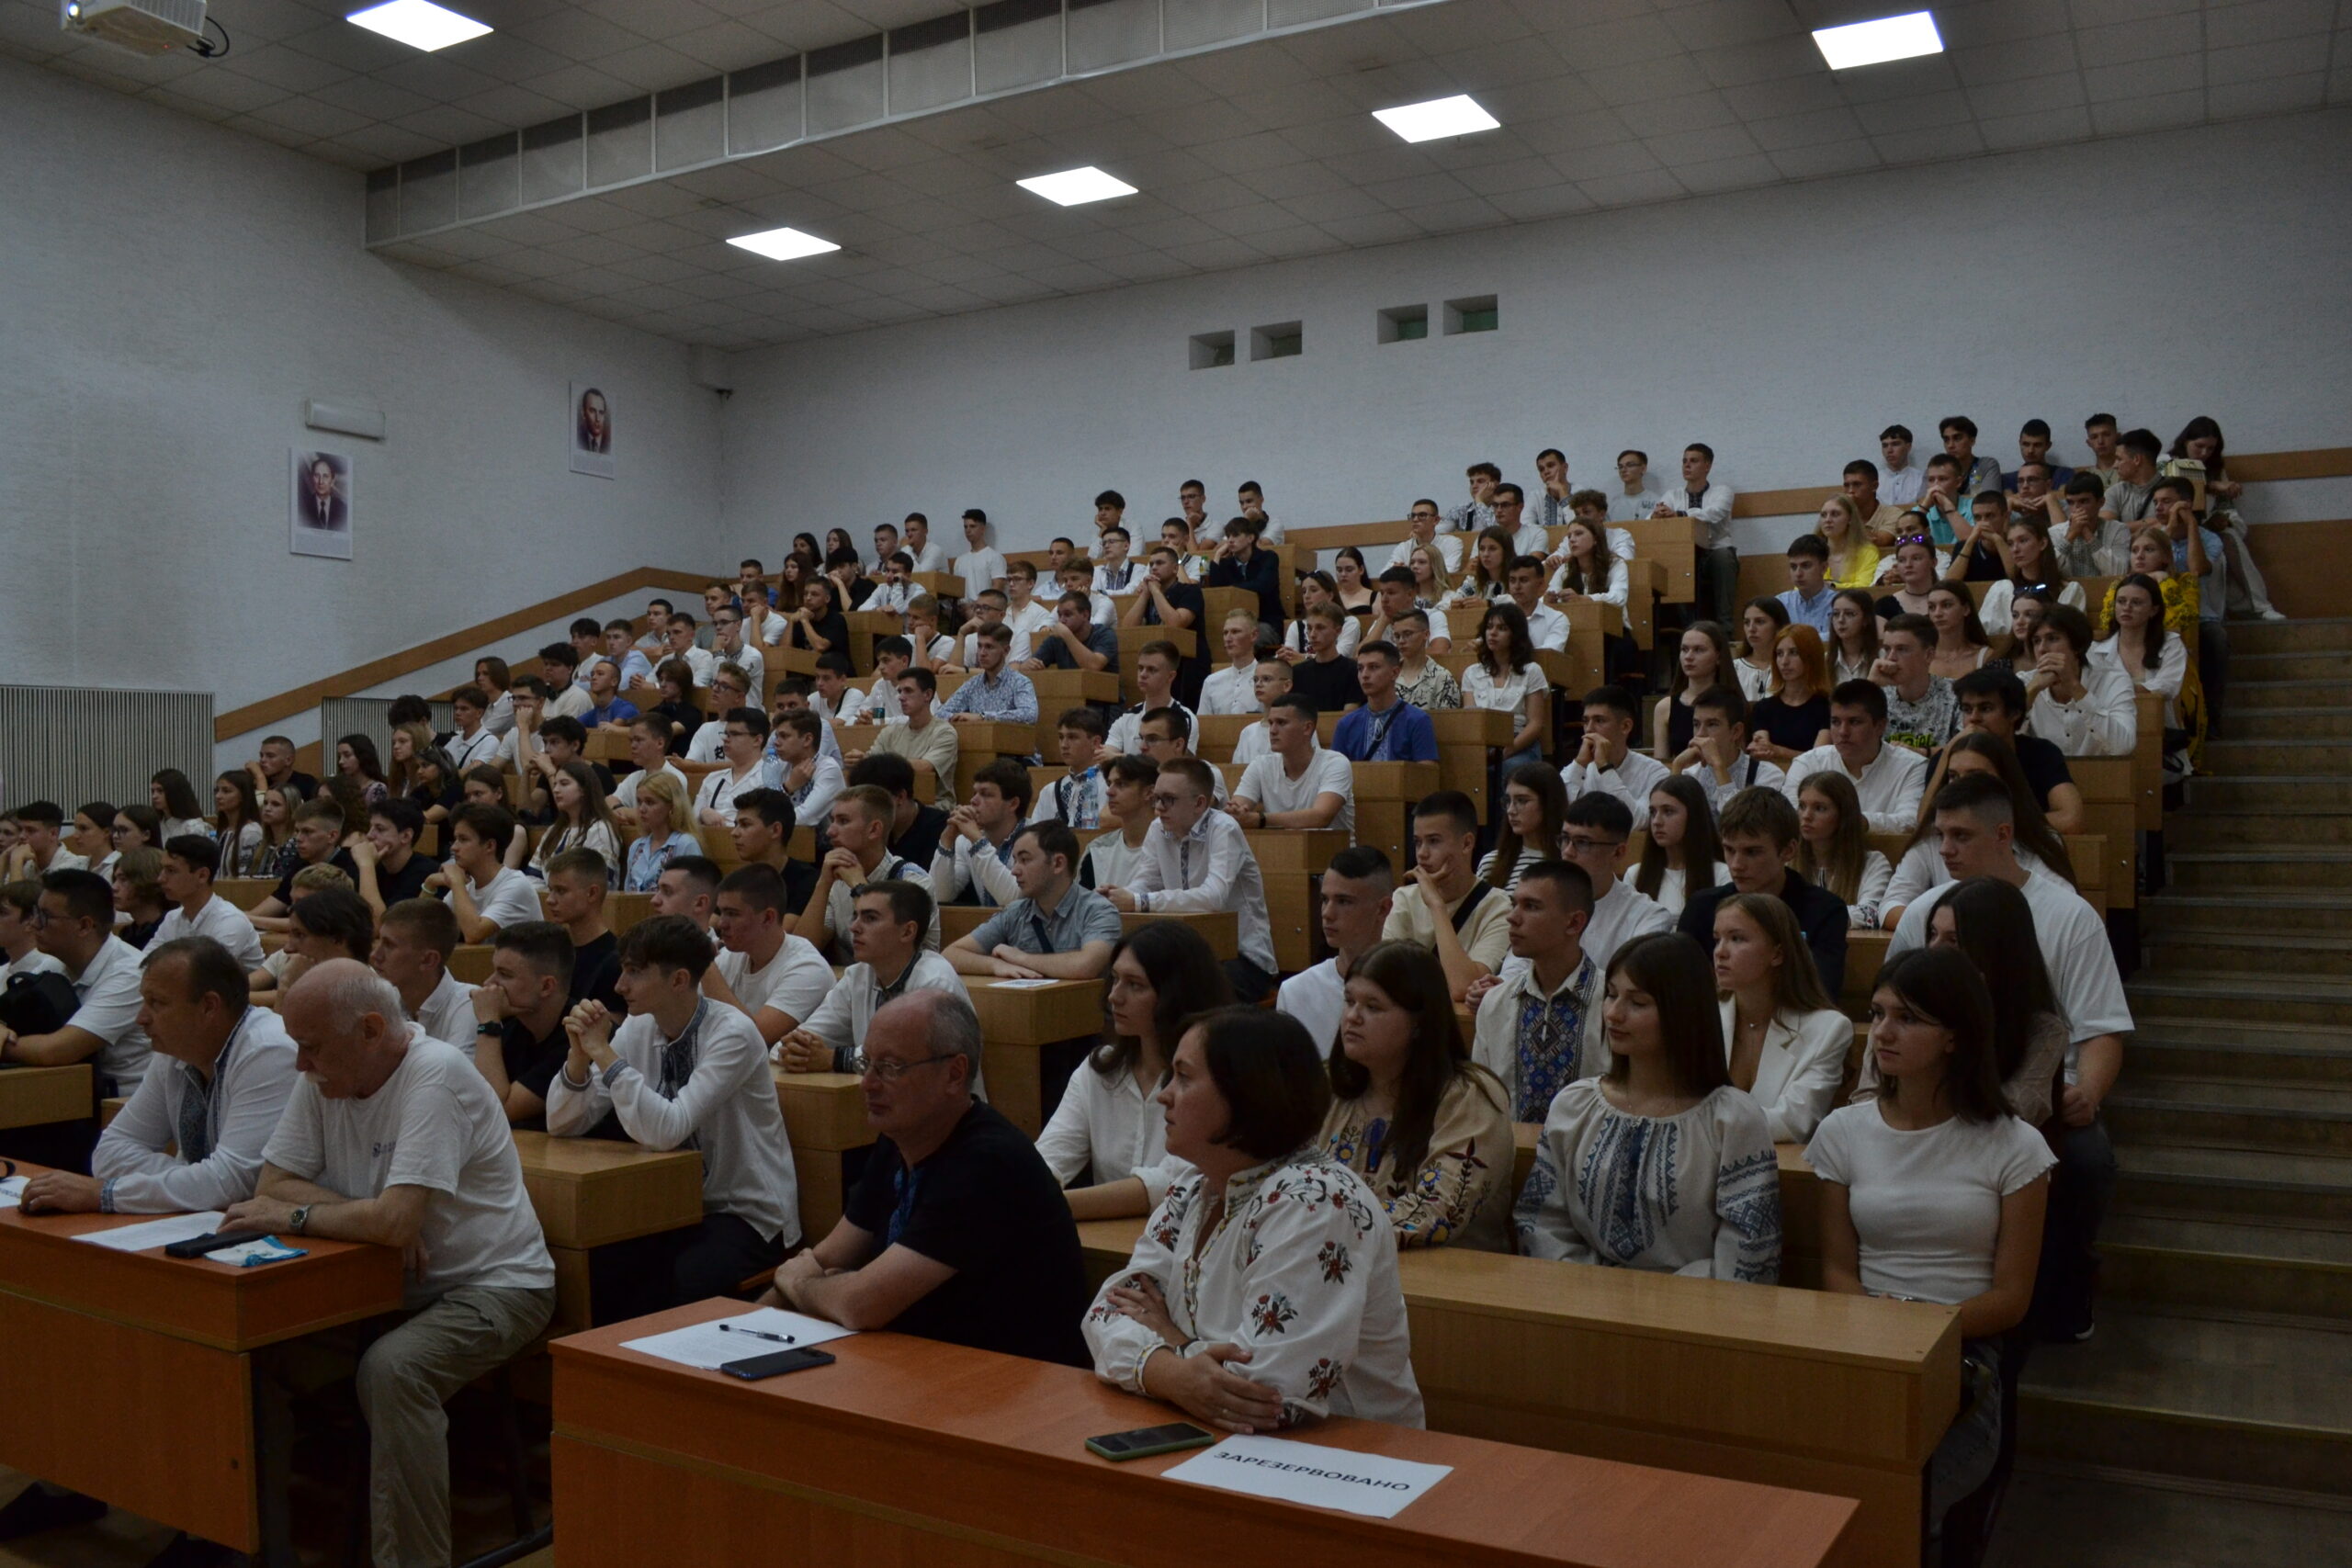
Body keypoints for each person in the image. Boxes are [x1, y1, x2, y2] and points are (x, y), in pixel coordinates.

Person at [224, 962, 554, 1568]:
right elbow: (276, 1181)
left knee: (394, 1370)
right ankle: (260, 1548)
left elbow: (383, 1220)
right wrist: (365, 1214)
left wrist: (299, 1215)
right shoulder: (324, 1071)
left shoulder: (436, 1075)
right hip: (378, 1281)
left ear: (372, 1029)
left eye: (314, 1047)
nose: (301, 1063)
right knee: (252, 1353)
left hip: (497, 1286)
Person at [1806, 947, 2053, 1534]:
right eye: (1878, 1012)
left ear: (1954, 1038)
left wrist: (1919, 1329)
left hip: (1963, 1353)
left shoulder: (2014, 1146)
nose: (1882, 1033)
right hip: (1863, 1340)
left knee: (1897, 1496)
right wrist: (1877, 1326)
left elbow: (2010, 1298)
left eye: (1908, 1018)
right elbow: (1838, 1269)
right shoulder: (1844, 1131)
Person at [1086, 1003, 1420, 1428]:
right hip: (1216, 1436)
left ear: (1246, 1093)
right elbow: (1105, 1314)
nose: (1164, 1094)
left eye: (1185, 1077)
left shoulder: (1316, 1201)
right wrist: (1170, 1374)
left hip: (1352, 1457)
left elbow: (1267, 1395)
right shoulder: (1193, 1187)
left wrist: (1173, 1341)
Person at [1884, 774, 2130, 1341]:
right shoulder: (1925, 911)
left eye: (1960, 836)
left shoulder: (2068, 916)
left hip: (2042, 1087)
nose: (1944, 850)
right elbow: (1895, 1005)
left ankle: (2065, 1287)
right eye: (1939, 836)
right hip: (1936, 1085)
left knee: (2085, 1158)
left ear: (2003, 835)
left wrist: (2086, 1094)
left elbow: (2101, 1030)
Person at [770, 989, 1088, 1363]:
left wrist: (804, 1285)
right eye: (866, 1063)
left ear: (954, 1074)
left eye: (890, 1067)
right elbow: (823, 1258)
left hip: (1012, 1384)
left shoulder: (988, 1162)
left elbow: (861, 1304)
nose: (868, 1083)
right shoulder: (898, 1138)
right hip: (919, 1358)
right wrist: (744, 1325)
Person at [547, 916, 801, 1321]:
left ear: (679, 980)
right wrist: (579, 1057)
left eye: (634, 973)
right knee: (603, 1264)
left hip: (746, 1213)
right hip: (670, 1204)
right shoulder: (639, 1025)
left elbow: (668, 1129)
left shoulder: (732, 1033)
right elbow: (562, 1124)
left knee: (685, 1278)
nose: (619, 986)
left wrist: (605, 1054)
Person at [1514, 932, 1781, 1281]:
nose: (1614, 1013)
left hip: (1695, 1316)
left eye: (1637, 1003)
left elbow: (1748, 1251)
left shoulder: (1731, 1119)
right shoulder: (1575, 1106)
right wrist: (1586, 1289)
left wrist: (1661, 1303)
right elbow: (1542, 1221)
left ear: (1681, 1011)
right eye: (1611, 995)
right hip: (1582, 1304)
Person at [14, 935, 296, 1221]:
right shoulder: (175, 1050)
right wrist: (194, 1181)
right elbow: (110, 1153)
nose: (141, 1018)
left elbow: (234, 1182)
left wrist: (107, 1194)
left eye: (157, 1003)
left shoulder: (268, 1050)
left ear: (209, 1006)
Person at [1324, 942, 1514, 1251]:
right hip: (1340, 1265)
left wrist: (1323, 1229)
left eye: (1373, 1007)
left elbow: (1440, 1212)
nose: (1352, 1017)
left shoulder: (1469, 1097)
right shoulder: (1330, 1087)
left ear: (1418, 1023)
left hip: (1446, 1281)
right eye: (1349, 1001)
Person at [1038, 921, 1227, 1221]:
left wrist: (1043, 1205)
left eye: (1135, 985)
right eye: (1114, 979)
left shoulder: (1214, 1076)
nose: (1115, 996)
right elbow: (1048, 1159)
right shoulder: (1098, 1069)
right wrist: (1026, 1189)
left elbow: (1171, 1184)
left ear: (1175, 994)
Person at [1856, 876, 2070, 1126]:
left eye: (1953, 941)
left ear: (1995, 952)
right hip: (1896, 1143)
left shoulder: (2043, 1030)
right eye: (1932, 934)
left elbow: (2014, 1116)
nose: (1933, 950)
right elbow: (1865, 1100)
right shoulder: (1895, 1012)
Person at [1101, 759, 1278, 1000]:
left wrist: (1138, 901)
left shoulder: (1224, 829)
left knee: (1181, 997)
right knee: (1118, 979)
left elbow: (1212, 898)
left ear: (1199, 803)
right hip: (1186, 956)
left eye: (1169, 799)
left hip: (1241, 958)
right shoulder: (1157, 829)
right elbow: (1145, 882)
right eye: (1156, 798)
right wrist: (1118, 896)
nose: (1159, 808)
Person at [782, 880, 968, 1077]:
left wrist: (835, 1058)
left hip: (939, 1104)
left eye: (870, 918)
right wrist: (793, 1050)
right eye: (855, 916)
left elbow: (906, 1060)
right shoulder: (857, 976)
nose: (854, 927)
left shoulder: (936, 982)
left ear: (907, 931)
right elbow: (803, 1038)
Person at [1679, 786, 1849, 997]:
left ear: (1788, 850)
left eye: (1752, 852)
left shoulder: (1825, 910)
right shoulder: (1702, 906)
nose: (1737, 865)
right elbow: (1680, 989)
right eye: (1730, 850)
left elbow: (1822, 991)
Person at [1472, 860, 1606, 1121]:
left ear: (1574, 923)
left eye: (1531, 906)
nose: (1512, 917)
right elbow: (1480, 1102)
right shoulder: (1496, 1002)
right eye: (1514, 904)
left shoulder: (1611, 1003)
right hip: (1509, 1155)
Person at [0, 869, 153, 1095]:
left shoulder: (130, 974)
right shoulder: (57, 964)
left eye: (45, 917)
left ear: (84, 926)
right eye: (34, 914)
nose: (33, 925)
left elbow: (55, 1051)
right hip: (69, 1092)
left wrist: (3, 1045)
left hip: (117, 1106)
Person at [1712, 893, 1849, 1142]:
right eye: (1717, 939)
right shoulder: (1701, 1016)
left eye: (1736, 939)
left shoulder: (1829, 1029)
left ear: (1777, 954)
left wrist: (1705, 1124)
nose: (1720, 952)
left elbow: (1793, 1122)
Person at [1379, 791, 1510, 1002]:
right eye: (1418, 842)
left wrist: (1436, 905)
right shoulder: (1403, 898)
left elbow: (1463, 988)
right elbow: (1388, 979)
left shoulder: (1498, 906)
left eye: (1433, 841)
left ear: (1467, 844)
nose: (1421, 853)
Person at [1275, 846, 1394, 1056]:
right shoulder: (1295, 992)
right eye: (1324, 900)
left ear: (1383, 908)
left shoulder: (1406, 987)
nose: (1327, 914)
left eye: (1344, 901)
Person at [798, 786, 939, 962]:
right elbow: (803, 950)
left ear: (874, 830)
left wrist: (859, 886)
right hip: (857, 984)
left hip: (911, 985)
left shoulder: (914, 882)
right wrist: (823, 885)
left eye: (843, 821)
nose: (830, 831)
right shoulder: (836, 878)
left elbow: (890, 955)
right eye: (832, 820)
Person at [459, 920, 578, 1125]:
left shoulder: (578, 1036)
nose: (489, 983)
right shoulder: (513, 1028)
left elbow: (496, 1111)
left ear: (546, 986)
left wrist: (488, 1022)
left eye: (505, 975)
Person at [1783, 680, 1928, 835]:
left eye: (1854, 722)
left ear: (1880, 726)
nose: (1843, 732)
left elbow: (1910, 821)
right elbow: (1788, 818)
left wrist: (1857, 822)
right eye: (1836, 722)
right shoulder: (1808, 763)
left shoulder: (1912, 765)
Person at [1556, 792, 1675, 972]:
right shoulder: (1544, 902)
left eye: (1583, 842)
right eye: (1565, 839)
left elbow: (1627, 985)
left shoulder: (1647, 917)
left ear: (1618, 852)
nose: (1568, 852)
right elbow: (1516, 967)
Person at [2023, 604, 2137, 757]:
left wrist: (2075, 688)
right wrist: (2031, 691)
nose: (2042, 649)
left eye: (2052, 638)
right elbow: (2002, 743)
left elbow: (2123, 746)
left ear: (2077, 646)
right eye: (2036, 641)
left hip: (2102, 777)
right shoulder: (2025, 682)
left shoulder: (2113, 681)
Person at [1229, 695, 1353, 837]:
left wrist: (1261, 820)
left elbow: (1321, 816)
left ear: (1307, 728)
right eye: (1271, 723)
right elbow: (1237, 806)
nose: (1272, 730)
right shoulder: (1260, 765)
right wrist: (1235, 812)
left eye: (1281, 723)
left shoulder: (1335, 763)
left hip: (1330, 854)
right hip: (1279, 851)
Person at [370, 895, 476, 1051]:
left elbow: (449, 1075)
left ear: (428, 960)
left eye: (389, 945)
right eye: (379, 941)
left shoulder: (470, 1006)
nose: (375, 956)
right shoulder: (382, 998)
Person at [1558, 684, 1668, 829]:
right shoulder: (1578, 768)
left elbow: (1636, 823)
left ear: (1625, 727)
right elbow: (1557, 815)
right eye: (1586, 721)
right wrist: (1579, 765)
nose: (1589, 729)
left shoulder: (1655, 772)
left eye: (1599, 720)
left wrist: (1605, 768)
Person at [152, 835, 266, 970]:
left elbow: (202, 977)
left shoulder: (230, 921)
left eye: (171, 871)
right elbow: (145, 965)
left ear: (202, 876)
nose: (160, 879)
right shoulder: (172, 918)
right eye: (162, 869)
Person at [1794, 770, 1893, 926]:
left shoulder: (1872, 862)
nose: (1806, 816)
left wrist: (1809, 915)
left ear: (1843, 815)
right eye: (1802, 806)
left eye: (1820, 808)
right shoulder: (1786, 858)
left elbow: (1871, 913)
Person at [1652, 443, 1737, 623]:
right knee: (1675, 563)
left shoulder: (1723, 492)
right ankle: (1689, 629)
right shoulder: (1672, 495)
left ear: (1707, 466)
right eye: (1684, 461)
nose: (1687, 465)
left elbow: (1714, 513)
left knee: (1723, 557)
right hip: (1684, 555)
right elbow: (1651, 519)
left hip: (1714, 551)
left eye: (1693, 461)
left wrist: (1679, 515)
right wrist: (1656, 515)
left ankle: (1726, 628)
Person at [1673, 686, 1784, 816]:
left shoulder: (1767, 775)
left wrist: (1719, 767)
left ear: (1736, 731)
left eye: (1712, 724)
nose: (1700, 734)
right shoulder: (1690, 775)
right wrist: (1677, 766)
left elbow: (1742, 823)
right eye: (1696, 724)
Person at [1464, 603, 1550, 766]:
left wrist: (1506, 752)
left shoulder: (1531, 671)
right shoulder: (1471, 672)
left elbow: (1535, 723)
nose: (1493, 633)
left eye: (1502, 628)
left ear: (1515, 635)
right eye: (1489, 627)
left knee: (1510, 768)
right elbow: (1471, 719)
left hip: (1520, 743)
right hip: (1484, 743)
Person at [1628, 773, 1723, 918]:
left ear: (1693, 815)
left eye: (1668, 811)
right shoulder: (1635, 875)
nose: (1656, 821)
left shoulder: (1721, 875)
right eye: (1653, 812)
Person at [1332, 641, 1438, 762]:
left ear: (1394, 673)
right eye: (1360, 668)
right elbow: (1335, 774)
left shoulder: (1417, 720)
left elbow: (1426, 773)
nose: (1365, 675)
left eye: (1373, 667)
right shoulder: (1346, 724)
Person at [1748, 624, 1833, 766]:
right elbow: (1762, 749)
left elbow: (1819, 759)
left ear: (1811, 657)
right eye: (1779, 654)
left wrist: (1779, 751)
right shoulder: (1764, 708)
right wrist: (1763, 749)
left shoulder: (1828, 707)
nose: (1784, 662)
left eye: (1794, 653)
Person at [1873, 614, 1961, 753]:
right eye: (1887, 649)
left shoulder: (1956, 694)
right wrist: (1870, 687)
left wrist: (1920, 752)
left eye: (1902, 649)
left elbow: (1967, 750)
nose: (1891, 658)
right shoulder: (1877, 694)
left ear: (1928, 655)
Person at [1478, 761, 1568, 894]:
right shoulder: (1492, 863)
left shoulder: (1571, 859)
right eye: (1508, 801)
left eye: (1522, 801)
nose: (1511, 810)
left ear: (1548, 803)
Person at [1654, 622, 1733, 762]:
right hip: (1680, 779)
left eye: (1699, 650)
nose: (1688, 657)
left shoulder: (1732, 702)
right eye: (1684, 649)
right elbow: (1661, 765)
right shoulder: (1665, 707)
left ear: (1719, 657)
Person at [622, 773, 700, 895]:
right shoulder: (637, 846)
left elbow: (694, 892)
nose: (641, 809)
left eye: (650, 802)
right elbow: (627, 892)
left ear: (672, 806)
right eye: (639, 802)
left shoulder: (685, 843)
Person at [1924, 582, 1997, 684]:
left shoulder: (1985, 657)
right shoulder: (1921, 656)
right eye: (1932, 607)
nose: (1937, 613)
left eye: (1946, 605)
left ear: (1966, 609)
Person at [1817, 491, 1881, 589]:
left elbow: (1864, 587)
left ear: (1850, 518)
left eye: (1835, 514)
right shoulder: (1813, 553)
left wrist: (1831, 586)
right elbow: (1801, 588)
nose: (1828, 520)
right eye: (1823, 515)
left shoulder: (1867, 552)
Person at [1778, 534, 1836, 635]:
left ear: (1823, 568)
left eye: (1806, 566)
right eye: (1793, 567)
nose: (1798, 574)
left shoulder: (1837, 604)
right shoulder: (1780, 604)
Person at [1732, 598, 1789, 700]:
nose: (1751, 629)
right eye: (1747, 622)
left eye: (1760, 622)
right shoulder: (1734, 668)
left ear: (1778, 626)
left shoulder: (1789, 667)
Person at [1827, 587, 1881, 687]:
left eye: (1849, 614)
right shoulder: (1824, 660)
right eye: (1836, 614)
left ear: (1866, 619)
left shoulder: (1882, 658)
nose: (1840, 620)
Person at [1611, 447, 1665, 521]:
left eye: (1629, 465)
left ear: (1643, 469)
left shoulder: (1656, 502)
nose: (1623, 470)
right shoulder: (1612, 505)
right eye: (1620, 467)